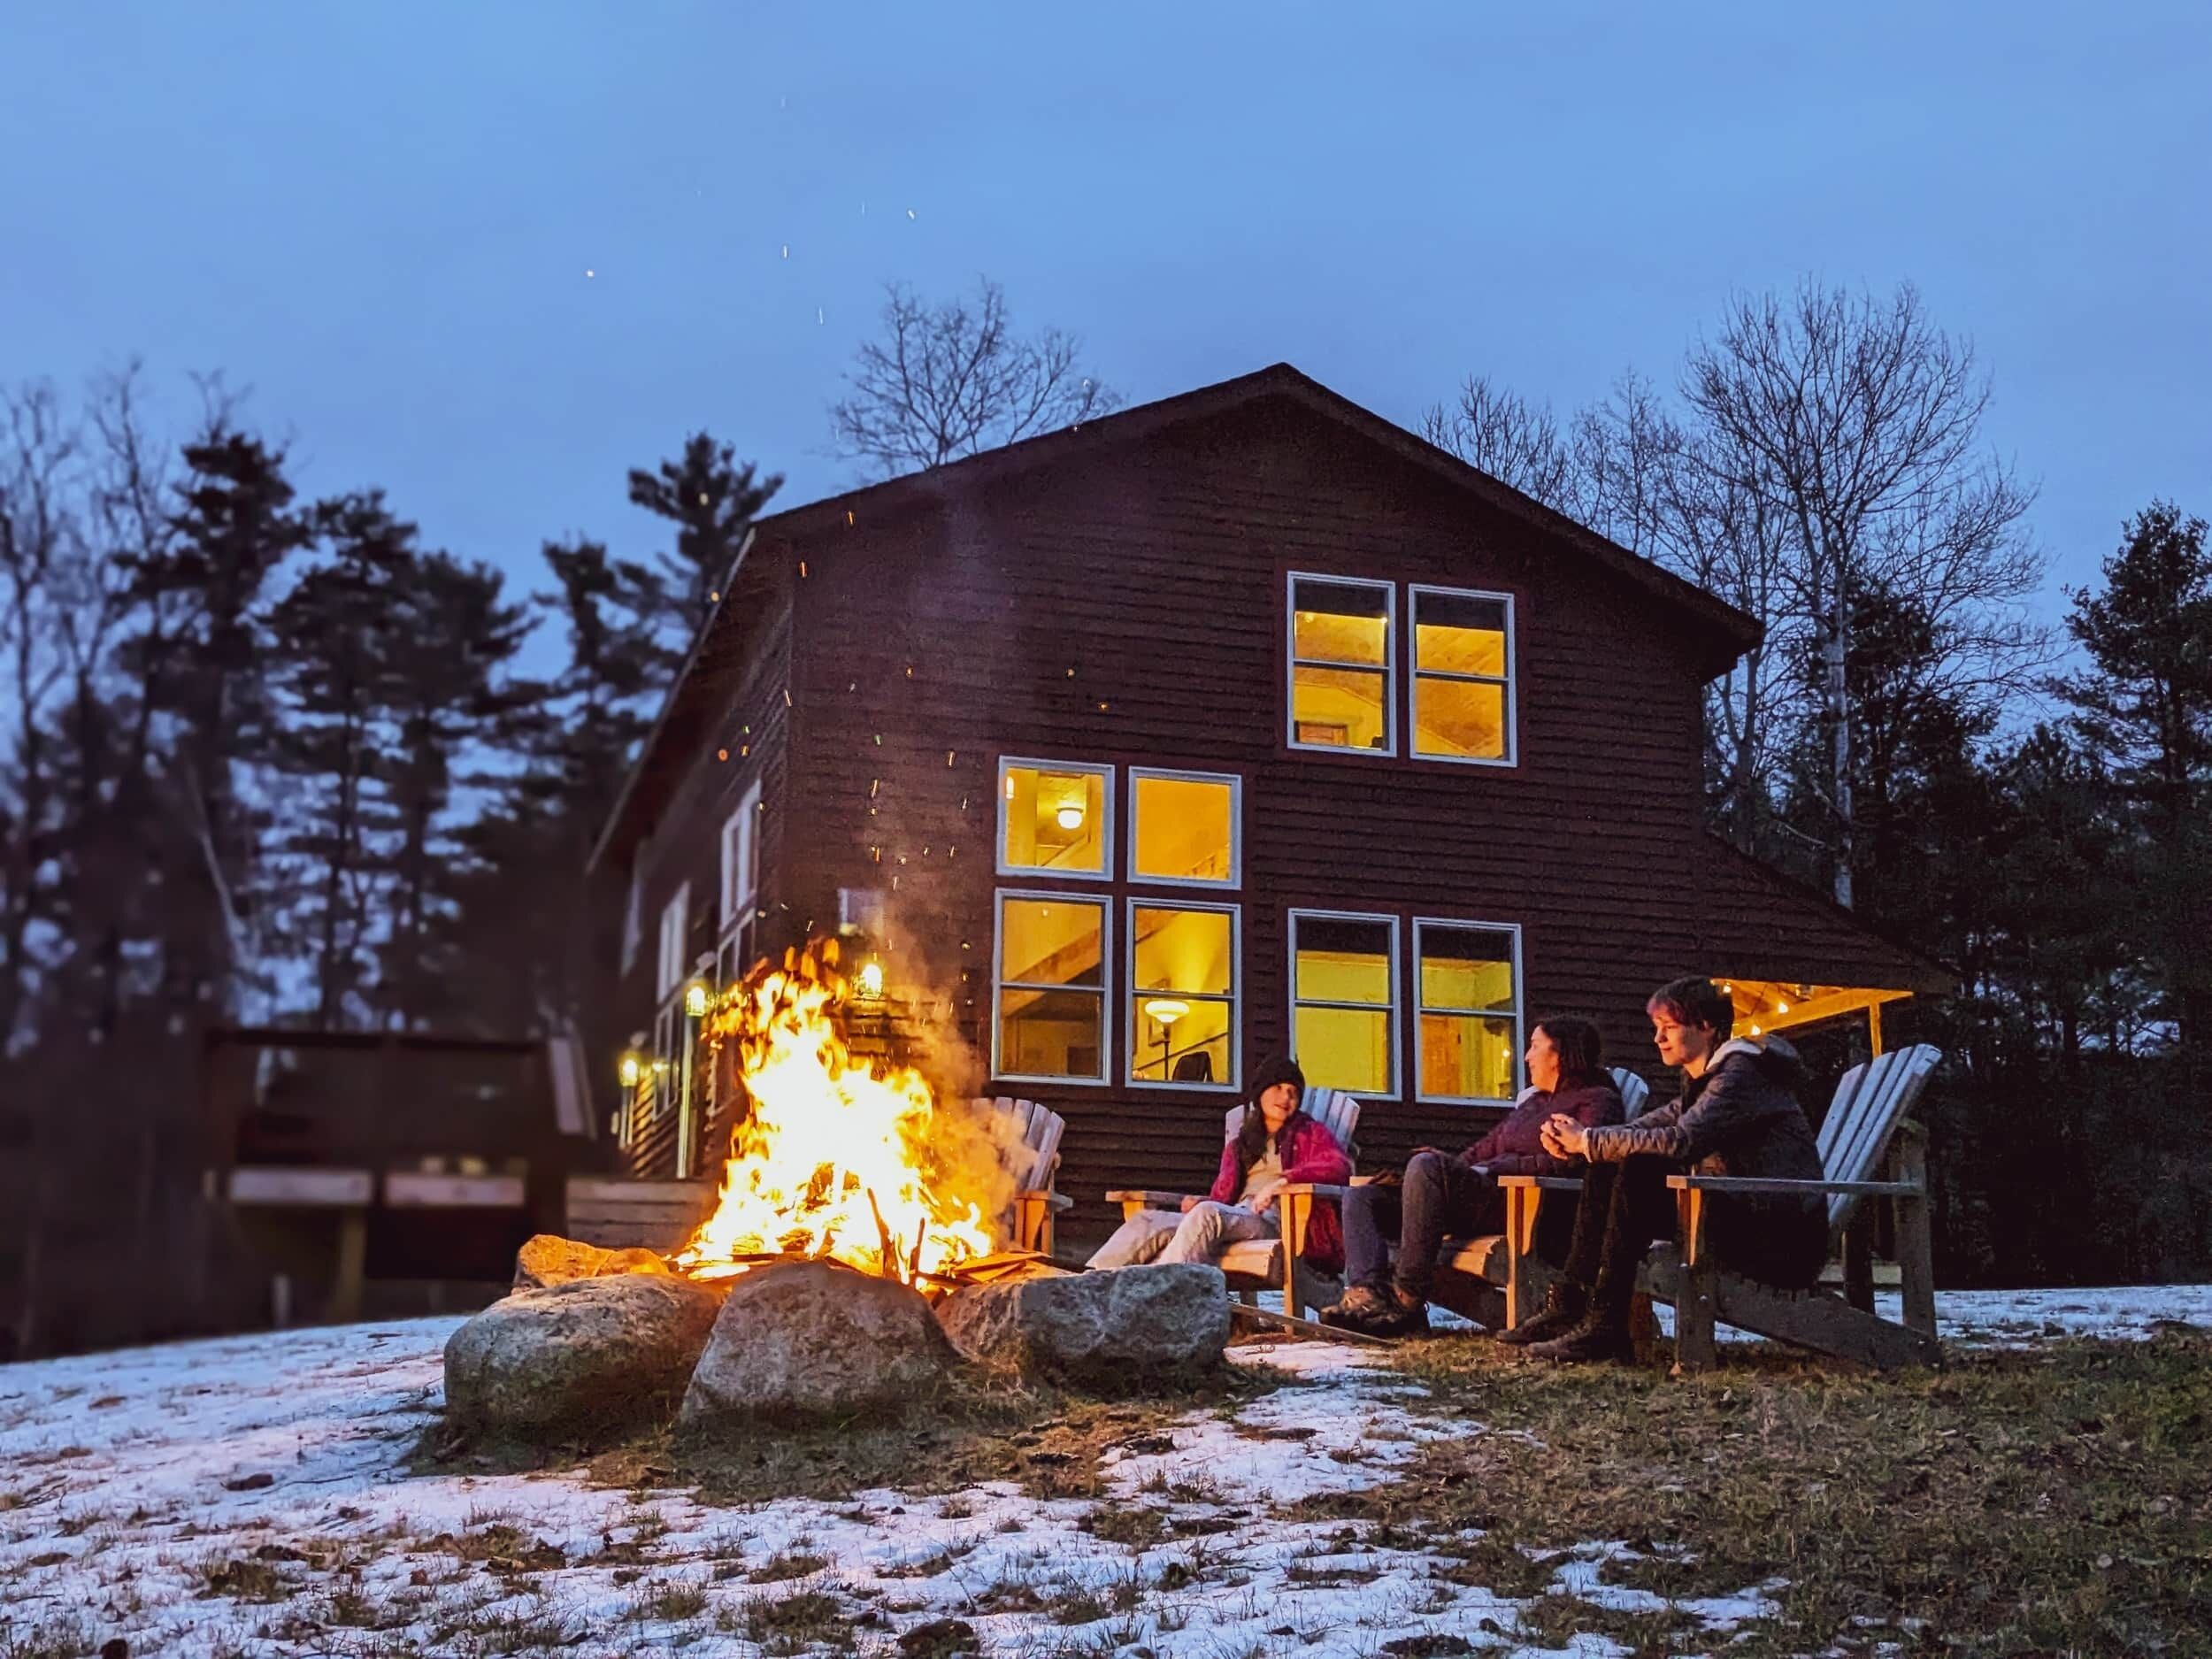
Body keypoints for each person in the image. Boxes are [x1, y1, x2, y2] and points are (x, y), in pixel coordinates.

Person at [1516, 975, 1829, 1363]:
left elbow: (1682, 1140)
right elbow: (1645, 1127)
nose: (1657, 1039)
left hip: (1781, 1240)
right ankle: (1573, 1304)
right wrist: (1581, 1142)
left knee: (1640, 1168)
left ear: (1706, 1026)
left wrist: (1589, 1141)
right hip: (1739, 1219)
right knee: (1612, 1166)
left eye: (1669, 1028)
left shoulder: (1741, 1077)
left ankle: (1604, 1326)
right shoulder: (1707, 1081)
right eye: (1656, 1029)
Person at [1317, 1018, 1624, 1338]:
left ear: (1561, 1053)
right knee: (1362, 1196)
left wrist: (1494, 1168)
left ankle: (1406, 1301)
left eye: (1535, 1046)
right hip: (1484, 1199)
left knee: (1426, 1165)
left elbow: (1576, 1164)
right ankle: (1367, 1296)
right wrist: (1445, 1167)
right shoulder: (1534, 1103)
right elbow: (1484, 1148)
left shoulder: (1597, 1101)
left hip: (1525, 1209)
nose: (1527, 1056)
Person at [1087, 1055, 1352, 1272]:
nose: (1286, 1097)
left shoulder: (1310, 1132)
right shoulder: (1241, 1144)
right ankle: (1087, 1280)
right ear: (1260, 1092)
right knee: (1147, 1219)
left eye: (1293, 1092)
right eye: (1279, 1088)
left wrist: (1284, 1181)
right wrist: (1200, 1202)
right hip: (1236, 1215)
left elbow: (1340, 1166)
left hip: (1278, 1221)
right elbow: (1222, 1201)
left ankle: (1162, 1291)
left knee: (1207, 1215)